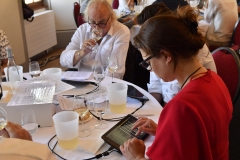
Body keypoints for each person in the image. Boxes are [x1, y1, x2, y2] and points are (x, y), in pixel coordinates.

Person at [120, 6, 232, 160]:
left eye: (148, 61)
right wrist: (166, 131)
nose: (150, 69)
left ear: (166, 56)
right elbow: (198, 137)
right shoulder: (215, 80)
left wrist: (137, 156)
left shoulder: (181, 106)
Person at [60, 0, 130, 79]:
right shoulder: (82, 30)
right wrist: (81, 53)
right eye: (93, 22)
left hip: (106, 84)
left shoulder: (121, 32)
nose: (97, 28)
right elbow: (63, 60)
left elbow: (116, 72)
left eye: (102, 22)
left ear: (111, 18)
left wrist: (96, 84)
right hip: (82, 81)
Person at [148, 44, 216, 105]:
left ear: (166, 56)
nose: (149, 69)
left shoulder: (183, 100)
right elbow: (155, 85)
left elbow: (175, 103)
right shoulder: (213, 78)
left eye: (149, 63)